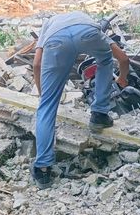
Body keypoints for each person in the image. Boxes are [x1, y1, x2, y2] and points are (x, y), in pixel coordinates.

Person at [31, 11, 130, 189]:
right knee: (105, 59)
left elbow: (36, 64)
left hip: (56, 41)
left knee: (47, 107)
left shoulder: (49, 22)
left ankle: (43, 170)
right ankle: (99, 113)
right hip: (87, 34)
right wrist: (122, 79)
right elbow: (123, 58)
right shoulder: (88, 21)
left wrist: (42, 95)